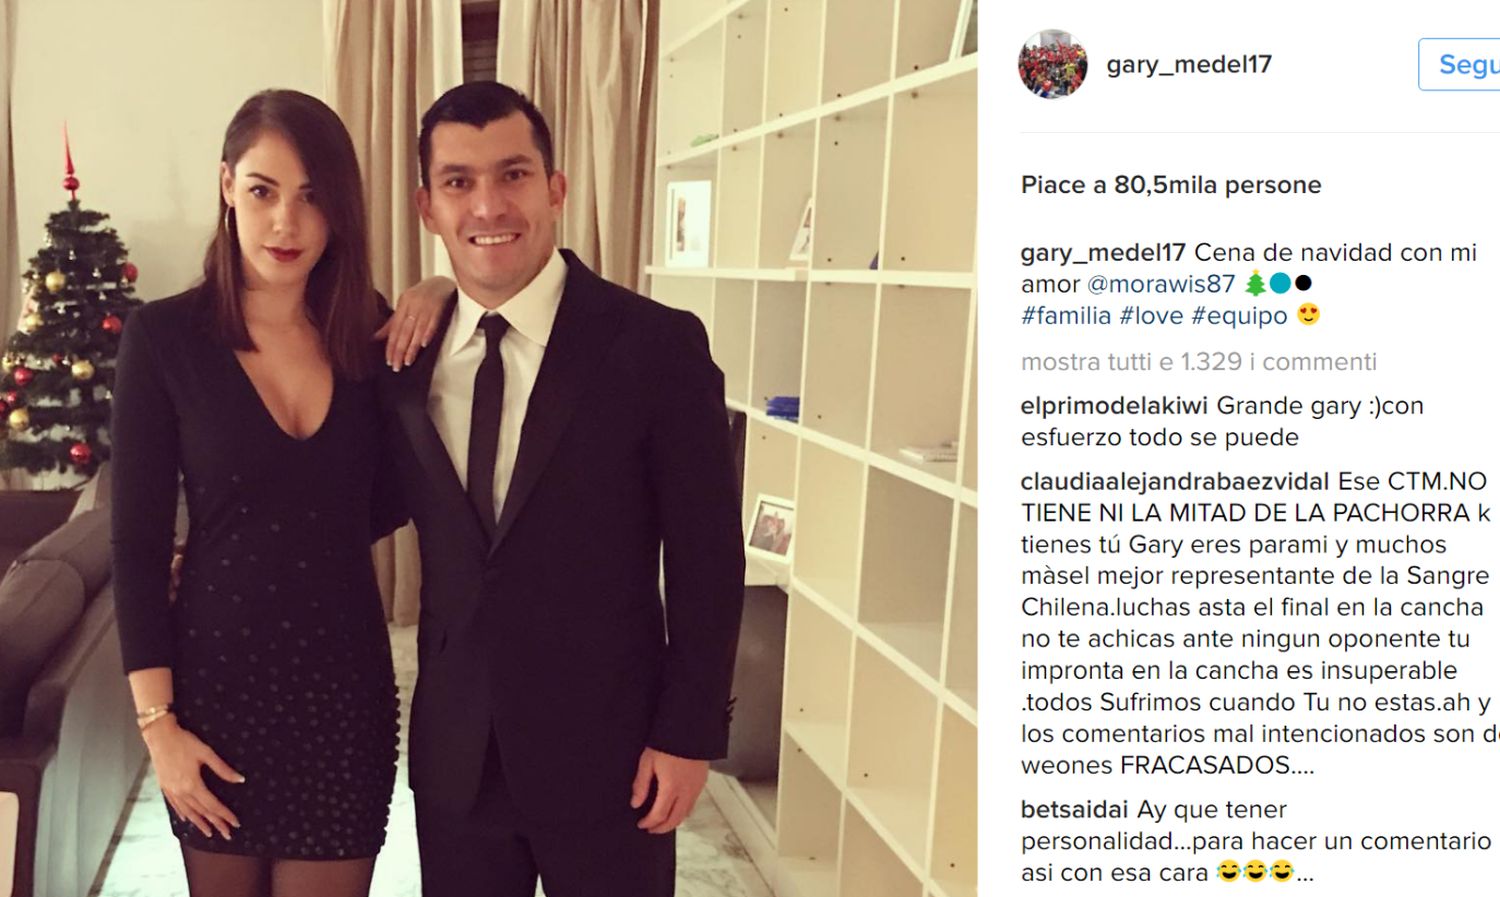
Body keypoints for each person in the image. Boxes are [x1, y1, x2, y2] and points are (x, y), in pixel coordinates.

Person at [378, 81, 745, 896]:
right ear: (428, 207)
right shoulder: (402, 359)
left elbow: (708, 559)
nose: (487, 205)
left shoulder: (657, 346)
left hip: (614, 757)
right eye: (459, 182)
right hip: (457, 759)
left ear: (556, 187)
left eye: (512, 174)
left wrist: (688, 732)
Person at [110, 89, 444, 897]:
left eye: (311, 196)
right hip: (214, 694)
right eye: (263, 190)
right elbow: (137, 545)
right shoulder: (164, 338)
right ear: (227, 185)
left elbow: (399, 493)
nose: (285, 222)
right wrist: (158, 727)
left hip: (343, 695)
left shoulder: (371, 332)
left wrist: (442, 293)